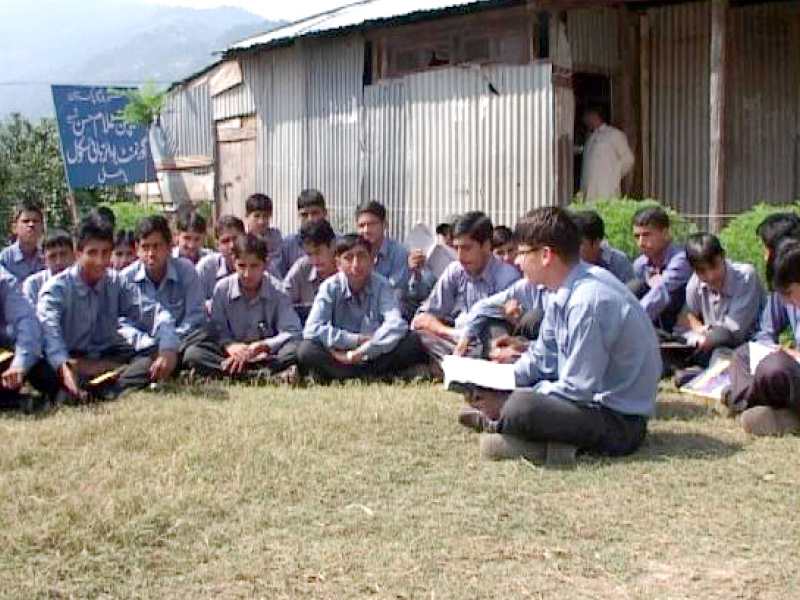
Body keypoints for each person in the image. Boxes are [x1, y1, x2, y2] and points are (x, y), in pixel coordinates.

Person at [459, 207, 661, 465]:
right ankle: (510, 425)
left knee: (521, 407)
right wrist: (501, 379)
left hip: (619, 420)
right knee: (510, 392)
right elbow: (542, 358)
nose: (517, 262)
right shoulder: (562, 292)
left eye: (521, 253)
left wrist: (510, 397)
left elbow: (577, 389)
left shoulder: (587, 302)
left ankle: (517, 431)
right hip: (589, 402)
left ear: (546, 255)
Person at [37, 214, 179, 403]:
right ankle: (95, 385)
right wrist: (65, 367)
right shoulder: (56, 289)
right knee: (45, 367)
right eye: (92, 253)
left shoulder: (116, 282)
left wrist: (168, 349)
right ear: (78, 254)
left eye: (105, 253)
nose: (100, 261)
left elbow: (154, 313)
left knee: (154, 357)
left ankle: (102, 387)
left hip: (109, 355)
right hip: (69, 358)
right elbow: (50, 335)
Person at [297, 234, 427, 382]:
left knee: (412, 341)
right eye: (348, 258)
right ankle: (377, 376)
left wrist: (364, 350)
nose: (356, 264)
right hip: (339, 353)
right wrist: (356, 341)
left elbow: (396, 324)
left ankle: (346, 376)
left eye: (362, 256)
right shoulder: (329, 287)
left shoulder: (382, 285)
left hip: (375, 351)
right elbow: (312, 329)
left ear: (372, 260)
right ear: (338, 263)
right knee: (306, 350)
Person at [184, 234, 302, 380]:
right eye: (241, 266)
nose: (247, 274)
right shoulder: (222, 289)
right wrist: (229, 346)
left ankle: (239, 373)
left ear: (265, 264)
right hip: (230, 352)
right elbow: (216, 329)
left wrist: (263, 346)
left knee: (295, 349)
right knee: (194, 354)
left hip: (266, 354)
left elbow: (292, 331)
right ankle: (261, 376)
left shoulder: (278, 291)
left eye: (254, 266)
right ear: (234, 263)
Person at [413, 211, 520, 360]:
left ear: (486, 246)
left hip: (485, 340)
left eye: (467, 248)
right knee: (416, 335)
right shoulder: (455, 270)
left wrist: (464, 335)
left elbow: (496, 327)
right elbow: (422, 317)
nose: (460, 256)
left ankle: (441, 364)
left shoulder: (507, 276)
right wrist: (448, 332)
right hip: (455, 338)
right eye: (456, 248)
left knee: (496, 341)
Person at [727, 241, 800, 436]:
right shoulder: (788, 298)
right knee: (744, 353)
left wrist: (790, 354)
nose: (785, 301)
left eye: (788, 293)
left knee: (775, 366)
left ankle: (740, 399)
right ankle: (782, 415)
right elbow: (765, 333)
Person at [119, 215, 208, 368]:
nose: (151, 254)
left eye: (156, 246)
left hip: (182, 340)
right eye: (145, 247)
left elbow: (196, 315)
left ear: (169, 247)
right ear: (136, 249)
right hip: (144, 346)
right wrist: (150, 344)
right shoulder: (126, 279)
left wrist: (170, 342)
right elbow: (122, 323)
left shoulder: (186, 270)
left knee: (196, 351)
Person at [681, 233, 764, 366]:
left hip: (744, 346)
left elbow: (733, 330)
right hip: (710, 343)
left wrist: (706, 334)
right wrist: (698, 332)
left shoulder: (745, 277)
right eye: (702, 271)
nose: (710, 276)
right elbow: (687, 316)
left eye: (714, 267)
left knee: (720, 354)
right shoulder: (694, 284)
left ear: (723, 256)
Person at [0, 268, 58, 410]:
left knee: (49, 375)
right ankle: (15, 403)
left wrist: (19, 365)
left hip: (5, 351)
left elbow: (27, 322)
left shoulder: (4, 281)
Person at [629, 206, 691, 334]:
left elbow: (662, 291)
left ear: (665, 233)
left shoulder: (681, 259)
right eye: (637, 236)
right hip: (653, 321)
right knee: (635, 286)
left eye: (647, 235)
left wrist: (632, 321)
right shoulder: (640, 265)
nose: (641, 243)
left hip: (682, 322)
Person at [282, 219, 338, 323]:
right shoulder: (302, 267)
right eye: (309, 254)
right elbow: (282, 300)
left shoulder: (347, 268)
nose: (314, 260)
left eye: (318, 252)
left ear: (332, 245)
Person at [579, 107, 634, 200]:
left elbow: (629, 159)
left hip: (606, 189)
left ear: (594, 116)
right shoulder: (590, 139)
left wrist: (614, 174)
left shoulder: (613, 134)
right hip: (589, 193)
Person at [356, 200, 409, 294]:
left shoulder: (398, 253)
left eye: (372, 224)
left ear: (385, 225)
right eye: (361, 226)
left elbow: (394, 288)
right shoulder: (353, 253)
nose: (366, 230)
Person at [273, 189, 328, 278]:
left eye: (315, 213)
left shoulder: (337, 242)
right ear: (298, 215)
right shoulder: (288, 245)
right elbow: (279, 278)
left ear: (325, 213)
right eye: (304, 215)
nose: (310, 219)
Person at [571, 209, 634, 283]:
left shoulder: (618, 262)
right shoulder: (569, 262)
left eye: (579, 243)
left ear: (596, 243)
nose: (573, 248)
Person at [196, 215, 246, 302]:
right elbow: (195, 304)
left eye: (236, 239)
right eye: (225, 241)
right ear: (217, 245)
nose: (232, 246)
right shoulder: (206, 268)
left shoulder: (256, 264)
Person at [23, 228, 74, 307]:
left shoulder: (84, 282)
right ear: (44, 260)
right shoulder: (33, 285)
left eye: (63, 254)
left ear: (74, 256)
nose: (59, 262)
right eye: (52, 256)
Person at [0, 199, 44, 282]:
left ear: (42, 228)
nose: (31, 225)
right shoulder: (4, 260)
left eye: (35, 221)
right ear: (14, 228)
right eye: (26, 221)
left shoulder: (47, 258)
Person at [245, 193, 282, 265]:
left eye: (265, 216)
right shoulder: (241, 236)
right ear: (247, 216)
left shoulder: (274, 236)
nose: (261, 222)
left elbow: (278, 263)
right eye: (256, 216)